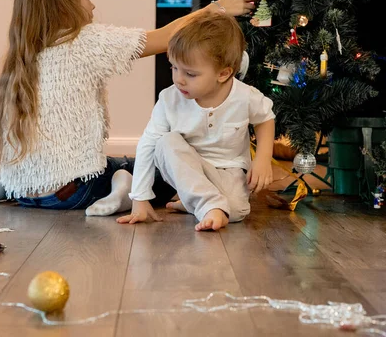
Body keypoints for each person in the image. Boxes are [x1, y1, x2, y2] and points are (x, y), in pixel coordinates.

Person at [0, 0, 258, 216]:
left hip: (24, 192)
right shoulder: (83, 42)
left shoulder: (21, 55)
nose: (92, 4)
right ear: (63, 3)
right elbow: (166, 36)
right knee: (160, 167)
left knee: (121, 161)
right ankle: (121, 186)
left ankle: (0, 183)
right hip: (74, 190)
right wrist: (219, 8)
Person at [117, 13, 275, 231]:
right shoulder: (169, 99)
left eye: (190, 73)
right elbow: (148, 144)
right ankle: (205, 203)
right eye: (173, 68)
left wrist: (263, 159)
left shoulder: (245, 96)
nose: (178, 79)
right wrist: (140, 198)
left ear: (223, 74)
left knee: (237, 211)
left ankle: (193, 199)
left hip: (228, 170)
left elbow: (265, 118)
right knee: (165, 142)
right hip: (186, 167)